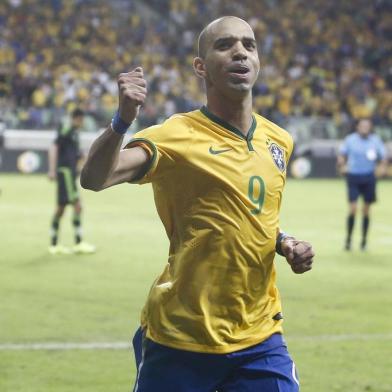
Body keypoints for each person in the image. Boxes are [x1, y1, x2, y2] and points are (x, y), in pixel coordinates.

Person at [81, 16, 314, 392]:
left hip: (259, 335)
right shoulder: (176, 135)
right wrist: (123, 120)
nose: (240, 52)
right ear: (200, 67)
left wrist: (284, 242)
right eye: (225, 45)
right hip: (181, 337)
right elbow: (94, 179)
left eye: (248, 45)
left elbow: (254, 216)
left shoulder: (279, 140)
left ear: (258, 61)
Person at [48, 108, 96, 255]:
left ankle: (54, 244)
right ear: (77, 119)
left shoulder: (74, 134)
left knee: (61, 208)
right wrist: (52, 169)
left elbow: (77, 155)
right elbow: (54, 146)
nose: (82, 123)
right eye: (81, 120)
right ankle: (77, 242)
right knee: (77, 206)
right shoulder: (67, 129)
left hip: (70, 174)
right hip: (66, 173)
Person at [337, 118, 387, 251]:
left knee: (366, 210)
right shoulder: (350, 139)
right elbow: (342, 154)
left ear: (370, 127)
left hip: (369, 177)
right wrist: (341, 164)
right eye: (362, 125)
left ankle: (364, 241)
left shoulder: (375, 140)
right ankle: (348, 240)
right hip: (353, 176)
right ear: (357, 127)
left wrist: (382, 167)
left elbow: (383, 157)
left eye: (367, 126)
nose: (365, 128)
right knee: (353, 209)